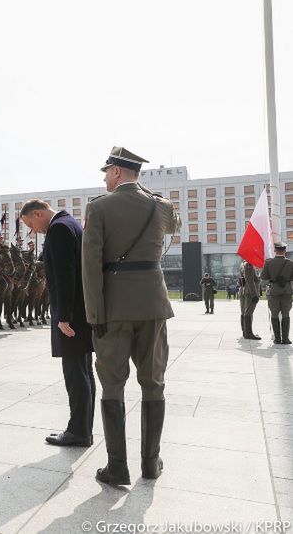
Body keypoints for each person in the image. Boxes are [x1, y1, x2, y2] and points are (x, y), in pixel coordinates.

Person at [82, 146, 180, 485]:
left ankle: (117, 467)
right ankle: (150, 464)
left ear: (118, 172)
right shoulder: (160, 205)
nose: (105, 178)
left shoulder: (99, 208)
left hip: (113, 308)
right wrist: (151, 197)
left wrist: (94, 313)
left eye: (107, 172)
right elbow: (174, 225)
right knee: (153, 383)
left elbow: (90, 265)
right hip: (153, 305)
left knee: (112, 384)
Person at [22, 199, 95, 447]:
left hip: (71, 316)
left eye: (30, 223)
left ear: (38, 213)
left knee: (75, 374)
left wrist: (63, 317)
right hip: (81, 312)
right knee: (84, 373)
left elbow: (65, 276)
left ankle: (78, 432)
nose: (33, 230)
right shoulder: (71, 223)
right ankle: (83, 429)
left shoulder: (59, 229)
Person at [260, 242, 293, 345]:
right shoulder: (291, 263)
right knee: (286, 314)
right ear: (285, 251)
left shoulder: (268, 262)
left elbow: (263, 277)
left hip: (274, 291)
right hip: (287, 291)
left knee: (274, 314)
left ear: (275, 251)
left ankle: (277, 339)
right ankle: (286, 339)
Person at [239, 260, 261, 340]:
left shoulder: (243, 264)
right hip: (250, 292)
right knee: (248, 312)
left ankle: (245, 332)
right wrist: (254, 295)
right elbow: (250, 281)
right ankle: (248, 334)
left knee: (245, 312)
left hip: (245, 291)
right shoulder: (249, 265)